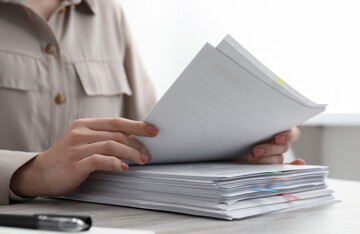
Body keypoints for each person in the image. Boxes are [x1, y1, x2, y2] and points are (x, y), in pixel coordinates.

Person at [0, 0, 303, 205]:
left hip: (105, 225)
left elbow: (152, 136)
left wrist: (228, 153)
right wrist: (31, 173)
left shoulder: (107, 11)